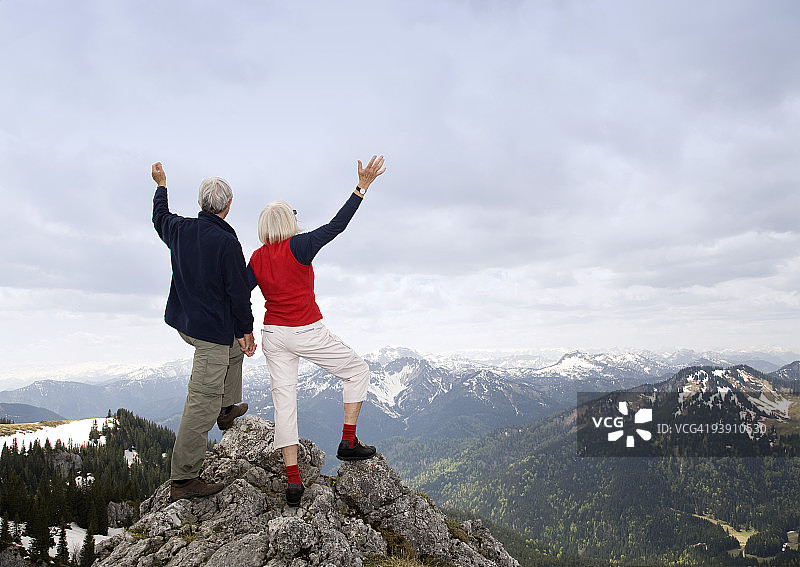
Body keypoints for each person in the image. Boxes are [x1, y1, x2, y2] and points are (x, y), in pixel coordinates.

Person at [248, 155, 386, 507]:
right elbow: (337, 225)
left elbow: (237, 293)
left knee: (284, 403)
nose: (297, 217)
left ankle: (293, 482)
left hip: (274, 335)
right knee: (357, 371)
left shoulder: (257, 257)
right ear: (285, 222)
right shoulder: (300, 245)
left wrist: (241, 330)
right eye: (293, 213)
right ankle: (348, 441)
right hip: (306, 330)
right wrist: (361, 188)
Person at [151, 162, 257, 502]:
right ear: (228, 207)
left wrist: (161, 185)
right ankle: (184, 479)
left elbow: (159, 217)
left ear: (201, 204)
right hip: (211, 333)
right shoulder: (226, 243)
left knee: (234, 351)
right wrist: (246, 330)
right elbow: (239, 292)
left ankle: (226, 410)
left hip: (188, 323)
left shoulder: (179, 229)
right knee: (200, 402)